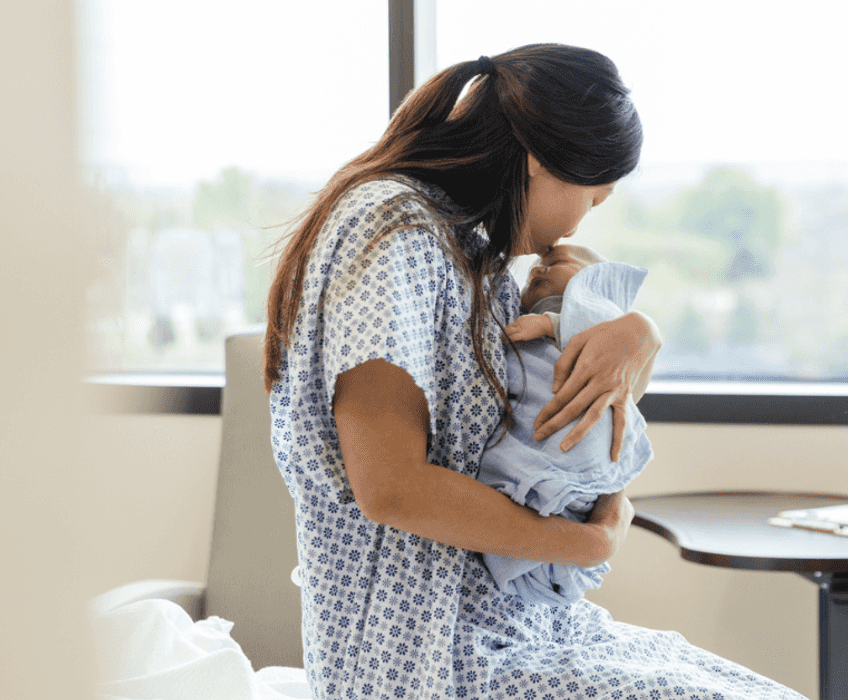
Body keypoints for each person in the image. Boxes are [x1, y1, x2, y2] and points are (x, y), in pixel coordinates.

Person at [263, 44, 804, 699]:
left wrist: (630, 330)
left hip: (519, 627)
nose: (579, 221)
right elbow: (391, 488)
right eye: (592, 198)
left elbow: (546, 430)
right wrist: (583, 546)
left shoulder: (469, 254)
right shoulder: (391, 228)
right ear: (541, 162)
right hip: (424, 660)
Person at [479, 245, 654, 606]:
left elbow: (587, 332)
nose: (536, 271)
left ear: (593, 281)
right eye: (537, 266)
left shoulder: (596, 313)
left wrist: (547, 323)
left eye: (556, 262)